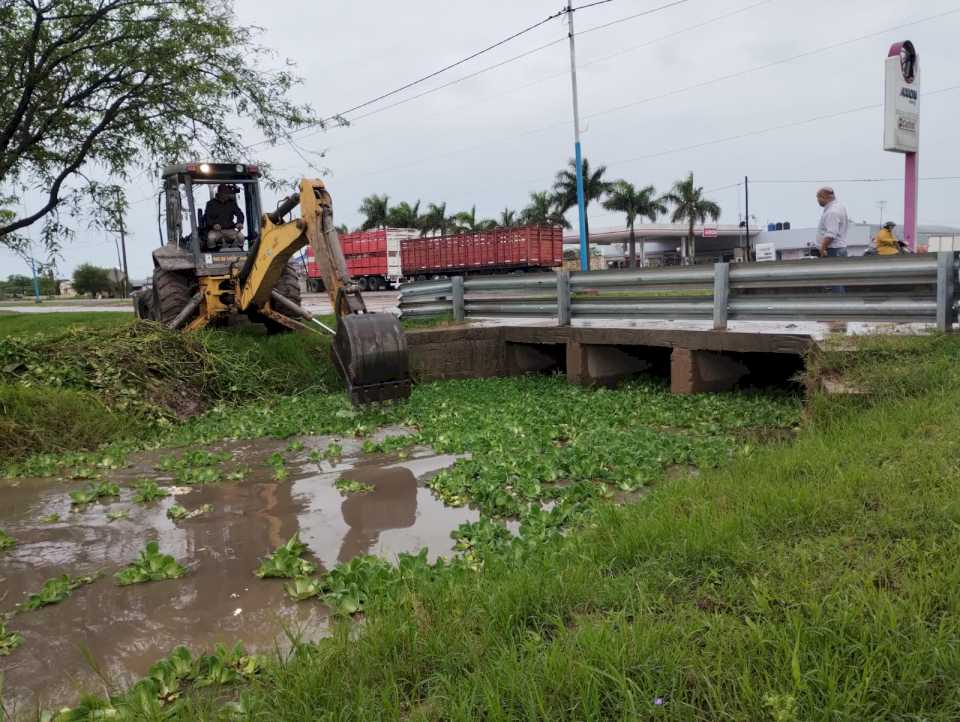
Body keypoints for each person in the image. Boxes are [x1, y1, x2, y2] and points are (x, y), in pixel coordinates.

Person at [204, 184, 245, 249]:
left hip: (229, 229)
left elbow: (240, 214)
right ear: (219, 193)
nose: (227, 195)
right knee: (211, 238)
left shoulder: (231, 203)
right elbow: (207, 217)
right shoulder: (210, 204)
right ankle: (213, 252)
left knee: (241, 236)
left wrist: (240, 223)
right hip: (216, 231)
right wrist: (213, 224)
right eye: (225, 193)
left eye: (228, 193)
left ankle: (238, 251)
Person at [816, 187, 849, 258]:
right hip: (840, 249)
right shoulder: (840, 207)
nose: (817, 200)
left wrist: (822, 249)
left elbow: (831, 234)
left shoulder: (831, 212)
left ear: (824, 197)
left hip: (832, 250)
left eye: (818, 197)